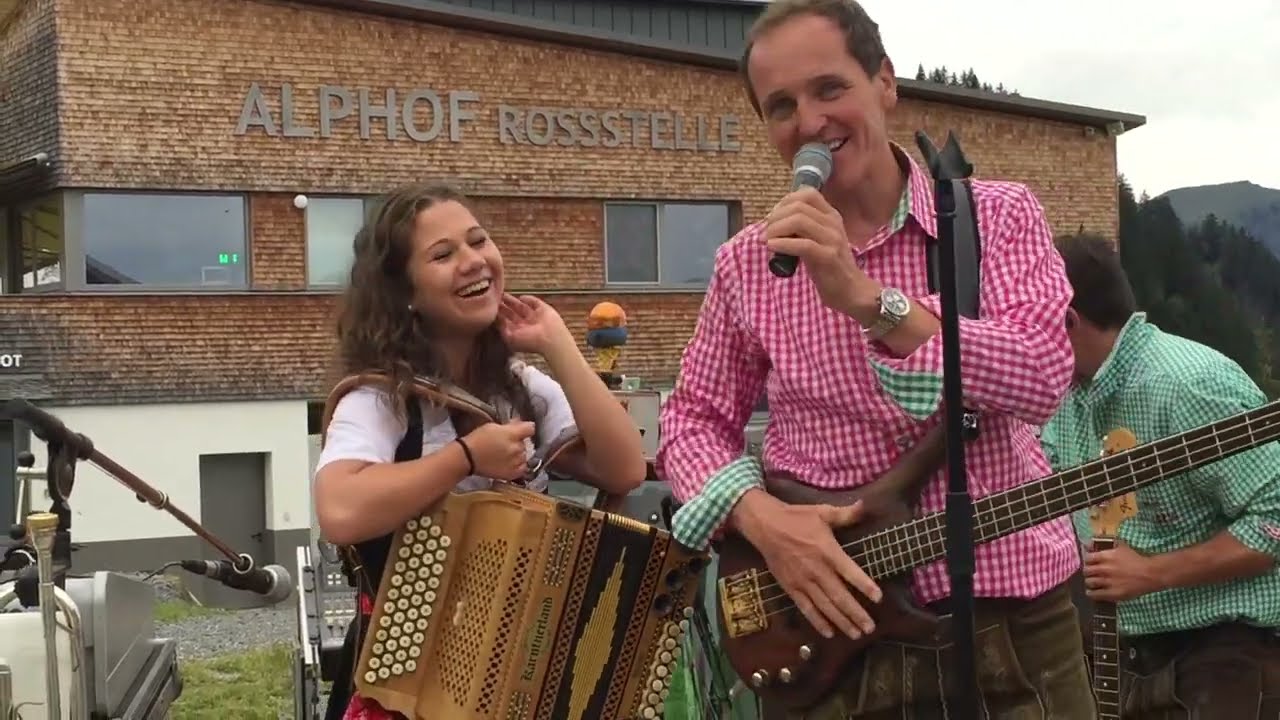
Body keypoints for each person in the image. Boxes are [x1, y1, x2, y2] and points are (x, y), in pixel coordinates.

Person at [655, 0, 1097, 716]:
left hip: (1011, 629)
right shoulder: (748, 263)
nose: (810, 123)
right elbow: (690, 421)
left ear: (885, 82)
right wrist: (764, 521)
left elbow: (1043, 376)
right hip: (828, 635)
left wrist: (868, 300)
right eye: (781, 106)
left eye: (829, 89)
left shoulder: (997, 216)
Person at [312, 181, 648, 720]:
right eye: (443, 255)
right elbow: (339, 510)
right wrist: (465, 458)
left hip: (516, 670)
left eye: (478, 241)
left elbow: (625, 469)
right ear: (404, 290)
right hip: (408, 686)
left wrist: (557, 344)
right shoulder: (380, 397)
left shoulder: (518, 383)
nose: (473, 261)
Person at [1041, 232, 1280, 718]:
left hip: (1224, 653)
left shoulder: (1190, 385)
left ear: (1067, 320)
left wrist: (1152, 572)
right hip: (1121, 652)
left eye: (1026, 322)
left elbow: (1273, 522)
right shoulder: (1061, 398)